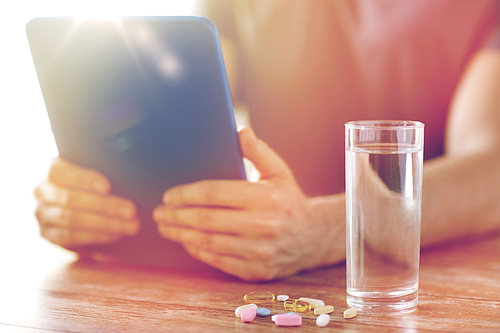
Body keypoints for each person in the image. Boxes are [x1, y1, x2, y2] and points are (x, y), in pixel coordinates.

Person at [34, 0, 500, 281]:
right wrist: (93, 188)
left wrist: (327, 230)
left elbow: (491, 168)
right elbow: (177, 101)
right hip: (265, 274)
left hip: (416, 288)